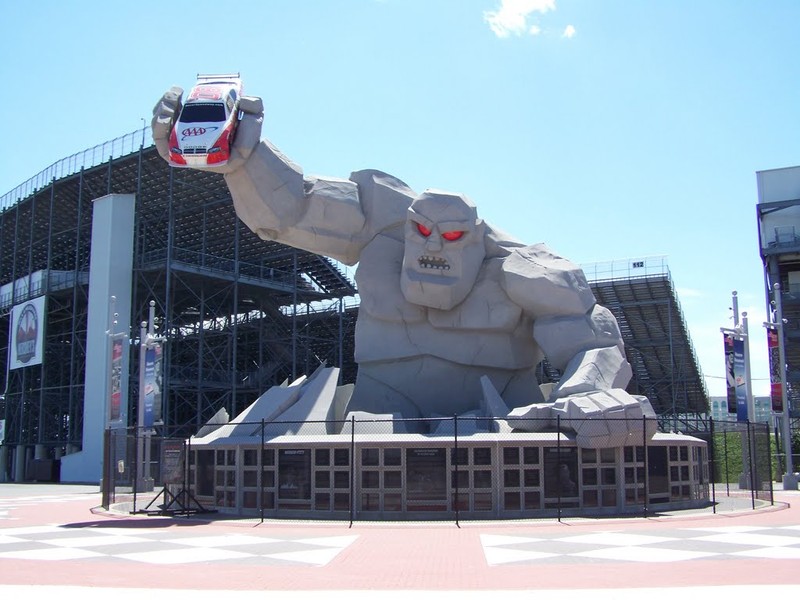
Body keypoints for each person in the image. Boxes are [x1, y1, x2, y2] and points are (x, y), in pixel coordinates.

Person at [152, 86, 653, 442]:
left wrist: (589, 391)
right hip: (379, 409)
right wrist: (241, 155)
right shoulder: (379, 224)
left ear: (476, 239)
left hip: (501, 411)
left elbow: (594, 336)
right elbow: (291, 210)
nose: (434, 245)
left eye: (453, 236)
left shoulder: (519, 267)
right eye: (423, 231)